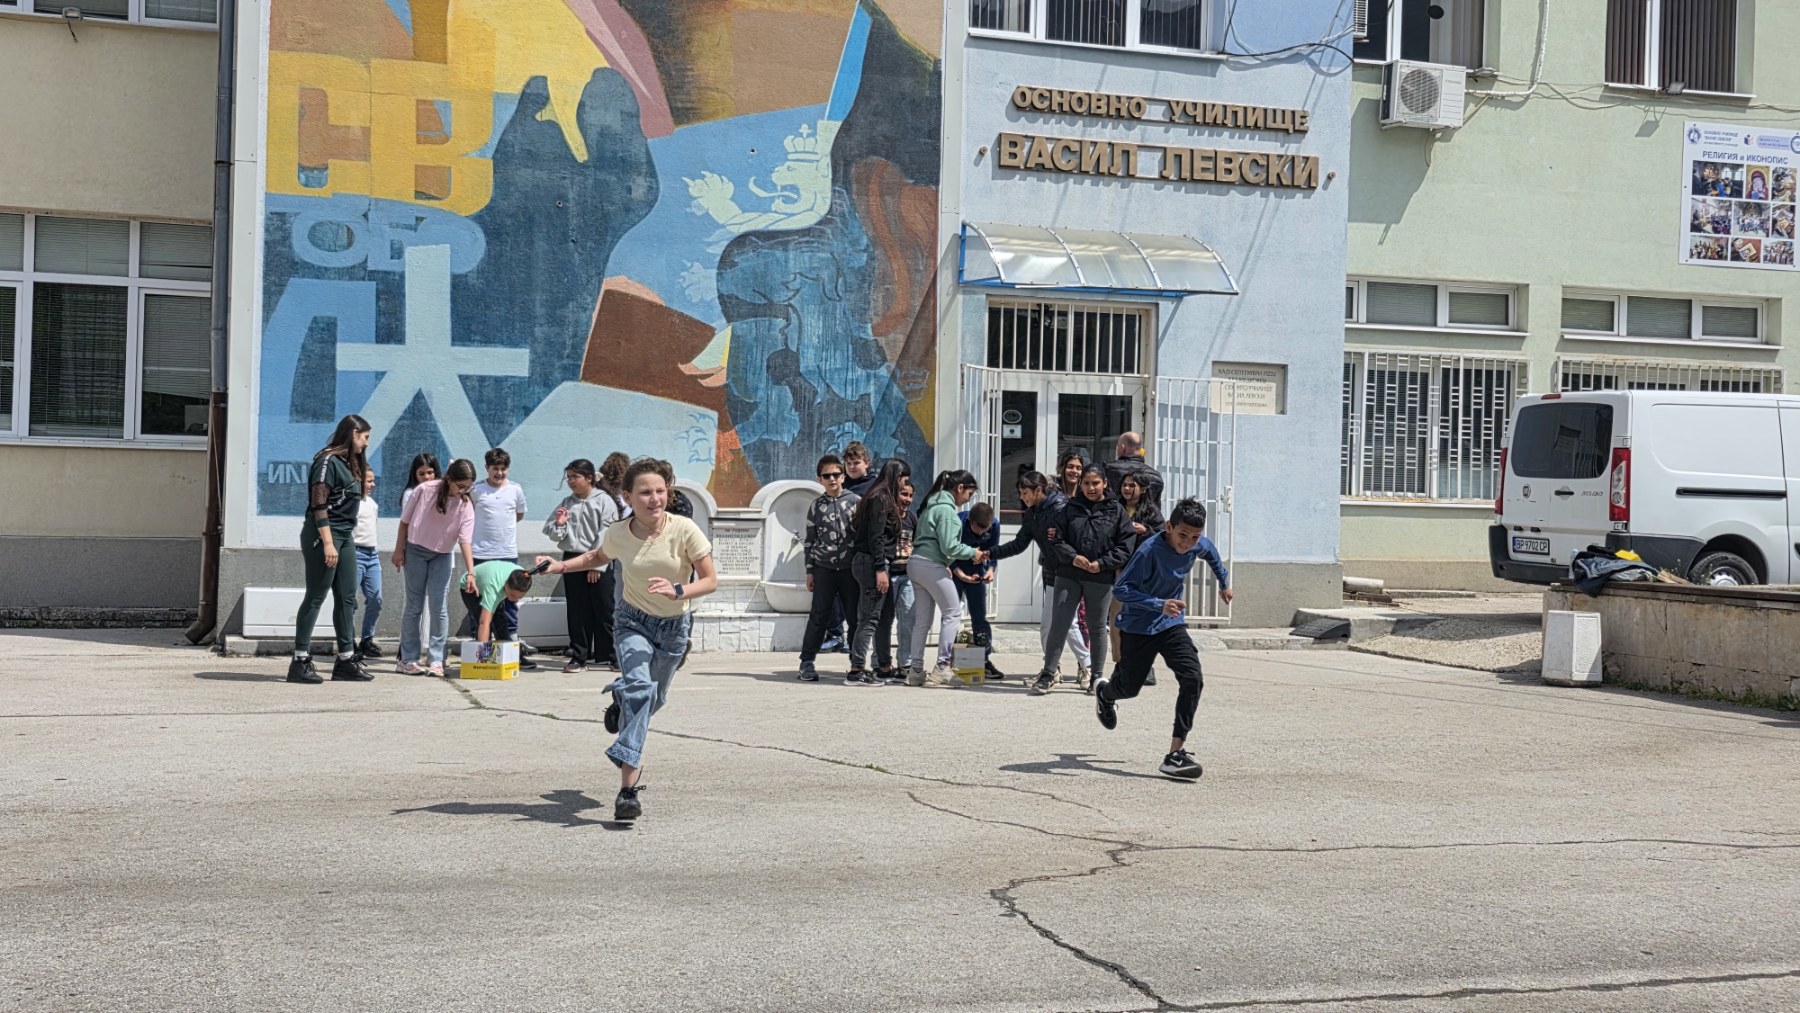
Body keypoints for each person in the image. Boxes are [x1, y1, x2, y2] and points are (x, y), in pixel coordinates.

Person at [539, 458, 718, 823]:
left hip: (674, 629)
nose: (655, 499)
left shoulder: (684, 529)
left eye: (660, 491)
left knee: (653, 698)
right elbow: (598, 556)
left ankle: (621, 698)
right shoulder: (619, 532)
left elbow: (710, 580)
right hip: (632, 622)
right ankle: (627, 792)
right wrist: (559, 566)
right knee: (642, 691)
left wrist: (678, 590)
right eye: (645, 492)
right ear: (627, 496)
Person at [1096, 498, 1234, 780]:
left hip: (1170, 624)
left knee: (1192, 677)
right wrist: (1159, 604)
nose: (1188, 543)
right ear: (1169, 527)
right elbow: (1121, 590)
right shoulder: (1149, 551)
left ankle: (1175, 754)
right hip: (1138, 627)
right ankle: (1105, 694)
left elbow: (1211, 553)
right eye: (1183, 535)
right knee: (1128, 688)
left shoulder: (1197, 544)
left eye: (1194, 536)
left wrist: (1224, 583)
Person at [288, 414, 377, 685]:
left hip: (345, 534)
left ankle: (346, 660)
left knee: (348, 597)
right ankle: (300, 661)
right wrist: (327, 542)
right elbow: (319, 504)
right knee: (316, 595)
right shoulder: (327, 460)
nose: (366, 443)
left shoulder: (351, 463)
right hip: (323, 533)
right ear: (353, 434)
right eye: (365, 437)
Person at [1034, 464, 1135, 696]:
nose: (1091, 488)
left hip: (1100, 578)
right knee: (1059, 624)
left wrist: (1102, 563)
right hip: (1068, 575)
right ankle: (1049, 673)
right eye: (1086, 483)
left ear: (1105, 483)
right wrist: (1073, 557)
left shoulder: (1116, 511)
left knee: (1097, 627)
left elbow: (1125, 545)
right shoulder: (1069, 508)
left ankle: (1096, 676)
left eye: (1095, 483)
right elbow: (1056, 538)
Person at [395, 458, 477, 677]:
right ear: (449, 479)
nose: (464, 491)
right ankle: (408, 659)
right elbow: (404, 522)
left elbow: (465, 540)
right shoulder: (424, 490)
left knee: (439, 606)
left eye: (468, 487)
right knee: (414, 605)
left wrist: (471, 572)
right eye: (461, 486)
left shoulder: (466, 504)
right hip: (416, 549)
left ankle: (437, 659)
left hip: (442, 554)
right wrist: (399, 550)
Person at [905, 470, 986, 687]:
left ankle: (915, 670)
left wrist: (947, 564)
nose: (968, 500)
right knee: (953, 613)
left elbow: (932, 541)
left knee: (922, 621)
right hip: (931, 564)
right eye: (969, 494)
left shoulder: (931, 506)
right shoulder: (947, 511)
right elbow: (950, 546)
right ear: (959, 488)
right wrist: (973, 552)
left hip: (916, 563)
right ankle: (942, 667)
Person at [543, 458, 619, 673]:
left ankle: (612, 655)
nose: (570, 481)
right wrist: (559, 524)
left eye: (574, 477)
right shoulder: (567, 502)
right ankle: (579, 656)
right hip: (572, 559)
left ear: (589, 478)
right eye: (568, 477)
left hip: (599, 558)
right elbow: (553, 532)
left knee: (604, 608)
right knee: (577, 610)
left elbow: (607, 533)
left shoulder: (604, 501)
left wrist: (597, 565)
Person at [798, 454, 865, 684]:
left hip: (849, 570)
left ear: (843, 476)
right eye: (827, 476)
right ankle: (806, 662)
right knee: (819, 616)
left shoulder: (856, 502)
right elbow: (810, 541)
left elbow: (862, 536)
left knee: (854, 617)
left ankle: (857, 664)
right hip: (823, 568)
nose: (832, 479)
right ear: (820, 479)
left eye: (836, 474)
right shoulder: (816, 506)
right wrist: (809, 570)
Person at [849, 459, 911, 683]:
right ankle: (856, 669)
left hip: (878, 562)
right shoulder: (880, 498)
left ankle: (884, 666)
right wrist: (880, 569)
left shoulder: (882, 497)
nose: (905, 484)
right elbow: (875, 537)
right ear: (896, 476)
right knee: (869, 618)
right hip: (872, 563)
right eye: (904, 479)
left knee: (885, 616)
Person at [467, 448, 529, 664]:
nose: (499, 473)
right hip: (480, 554)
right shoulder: (476, 490)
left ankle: (512, 649)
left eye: (503, 469)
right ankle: (479, 651)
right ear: (487, 468)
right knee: (479, 605)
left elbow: (519, 514)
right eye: (495, 468)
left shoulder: (515, 490)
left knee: (509, 603)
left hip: (507, 554)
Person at [1113, 472, 1166, 674]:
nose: (1126, 489)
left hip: (1142, 572)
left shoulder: (1151, 512)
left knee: (1141, 617)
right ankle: (1121, 662)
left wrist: (1145, 531)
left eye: (1131, 485)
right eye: (1124, 485)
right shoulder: (1115, 507)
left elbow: (1163, 538)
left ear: (1143, 489)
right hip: (1119, 568)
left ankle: (1146, 665)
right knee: (1118, 617)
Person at [952, 501, 1002, 679]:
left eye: (984, 530)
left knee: (979, 617)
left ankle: (984, 660)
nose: (981, 534)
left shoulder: (995, 525)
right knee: (951, 616)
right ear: (970, 521)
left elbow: (993, 552)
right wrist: (959, 574)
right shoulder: (958, 522)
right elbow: (949, 551)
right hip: (956, 572)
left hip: (977, 572)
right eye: (977, 529)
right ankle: (948, 659)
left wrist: (990, 570)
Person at [351, 465, 384, 660]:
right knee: (350, 601)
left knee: (376, 598)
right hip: (355, 554)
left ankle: (367, 639)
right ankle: (349, 641)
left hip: (372, 555)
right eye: (369, 481)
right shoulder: (351, 503)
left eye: (373, 481)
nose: (373, 484)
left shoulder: (372, 503)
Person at [461, 560, 534, 646]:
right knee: (482, 620)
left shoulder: (523, 576)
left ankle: (508, 650)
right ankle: (481, 650)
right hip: (471, 586)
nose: (514, 600)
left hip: (491, 579)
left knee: (500, 622)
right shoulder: (494, 589)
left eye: (519, 597)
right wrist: (483, 651)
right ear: (506, 584)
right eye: (512, 595)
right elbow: (484, 623)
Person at [1105, 431, 1165, 507]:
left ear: (1122, 448)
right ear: (1141, 450)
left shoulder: (1108, 469)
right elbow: (1156, 507)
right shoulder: (1156, 476)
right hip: (1144, 514)